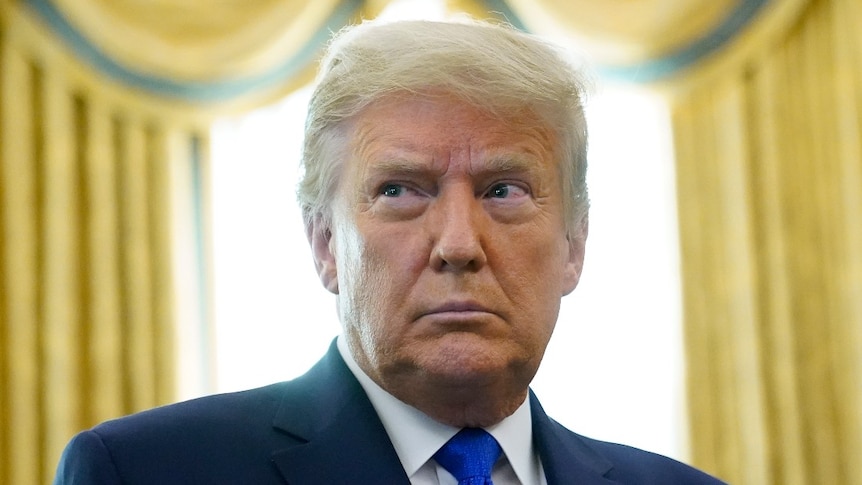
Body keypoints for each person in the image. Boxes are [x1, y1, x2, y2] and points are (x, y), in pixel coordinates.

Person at [54, 18, 725, 485]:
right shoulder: (143, 471)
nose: (459, 245)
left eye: (503, 189)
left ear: (575, 243)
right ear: (324, 243)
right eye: (401, 190)